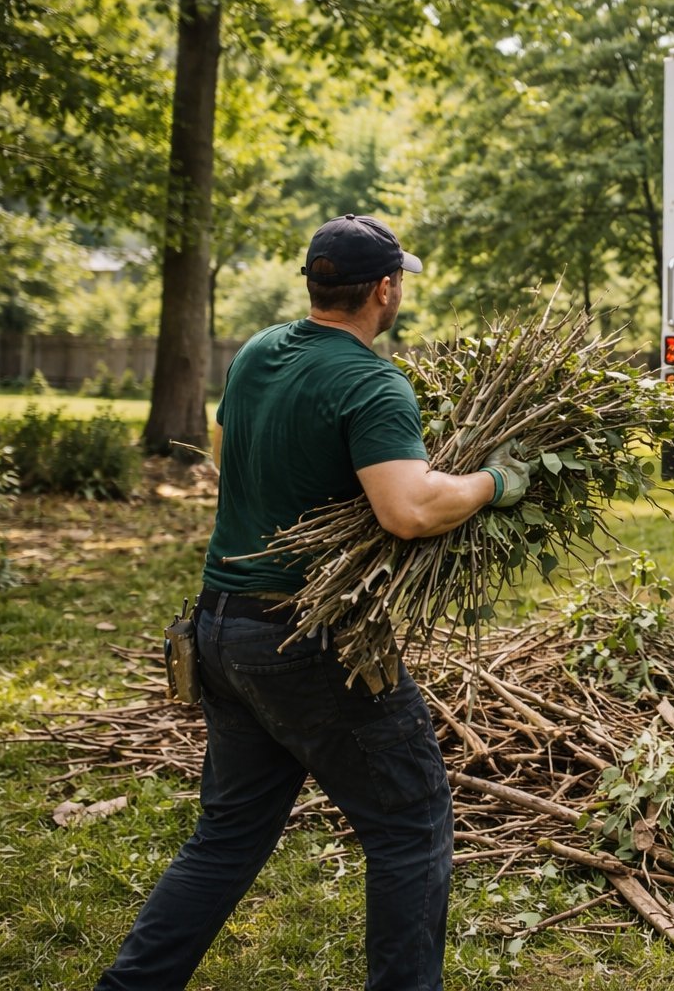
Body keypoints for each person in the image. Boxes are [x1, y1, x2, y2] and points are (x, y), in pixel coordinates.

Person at [95, 214, 532, 991]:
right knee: (410, 825)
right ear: (386, 290)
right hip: (307, 641)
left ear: (317, 284)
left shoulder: (260, 351)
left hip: (222, 629)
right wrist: (496, 483)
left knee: (227, 835)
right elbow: (410, 509)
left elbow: (230, 459)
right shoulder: (371, 381)